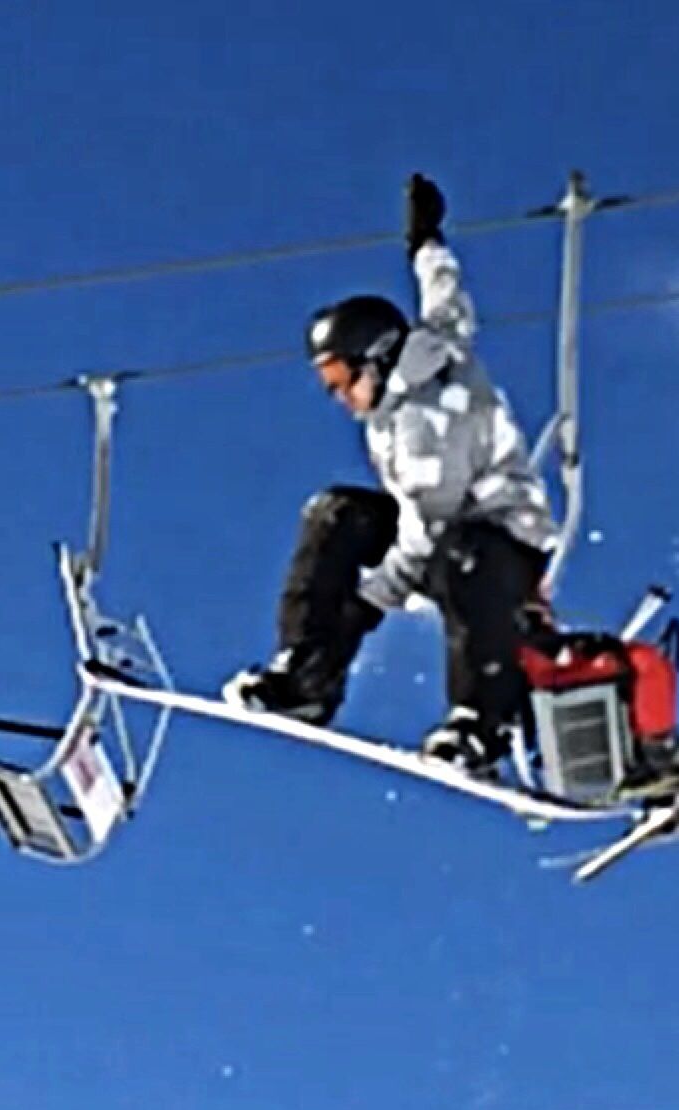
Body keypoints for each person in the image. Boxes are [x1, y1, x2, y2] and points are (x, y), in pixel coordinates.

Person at [222, 174, 557, 776]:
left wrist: (361, 609)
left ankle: (482, 724)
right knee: (336, 513)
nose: (339, 397)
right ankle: (303, 673)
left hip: (502, 546)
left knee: (459, 552)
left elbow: (422, 545)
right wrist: (425, 241)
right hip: (440, 533)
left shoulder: (426, 424)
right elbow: (448, 302)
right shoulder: (427, 352)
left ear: (375, 359)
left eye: (341, 381)